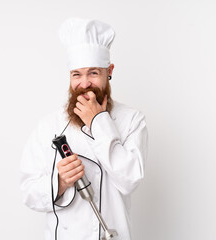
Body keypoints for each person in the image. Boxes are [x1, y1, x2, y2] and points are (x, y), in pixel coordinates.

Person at [20, 18, 148, 240]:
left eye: (93, 73)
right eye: (76, 75)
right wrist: (59, 182)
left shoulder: (132, 120)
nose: (84, 83)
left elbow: (129, 180)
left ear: (109, 71)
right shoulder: (49, 125)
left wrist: (98, 121)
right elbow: (29, 193)